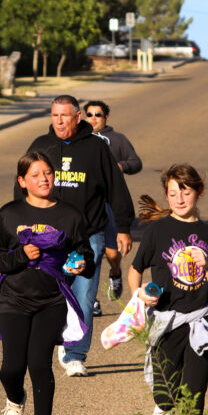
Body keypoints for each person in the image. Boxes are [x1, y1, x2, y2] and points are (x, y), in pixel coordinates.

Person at [0, 152, 95, 415]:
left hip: (52, 300)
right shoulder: (10, 214)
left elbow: (84, 256)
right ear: (22, 182)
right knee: (11, 368)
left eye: (47, 173)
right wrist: (21, 256)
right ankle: (15, 401)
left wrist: (81, 263)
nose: (43, 179)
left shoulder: (70, 215)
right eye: (35, 175)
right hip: (13, 298)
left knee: (39, 364)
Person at [18, 95, 134, 376]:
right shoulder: (40, 146)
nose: (58, 121)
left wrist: (123, 227)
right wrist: (19, 225)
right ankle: (49, 340)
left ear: (77, 117)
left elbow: (115, 188)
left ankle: (75, 354)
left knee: (83, 296)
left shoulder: (96, 148)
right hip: (48, 237)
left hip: (87, 235)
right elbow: (23, 185)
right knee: (48, 294)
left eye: (64, 116)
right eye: (54, 115)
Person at [126, 164, 208, 415]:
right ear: (167, 196)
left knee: (195, 390)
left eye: (185, 192)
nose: (180, 199)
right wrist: (139, 294)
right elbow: (135, 270)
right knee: (165, 393)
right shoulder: (157, 231)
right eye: (173, 193)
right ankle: (165, 403)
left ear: (199, 192)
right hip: (164, 319)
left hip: (202, 318)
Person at [83, 99, 142, 313]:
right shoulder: (80, 140)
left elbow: (136, 163)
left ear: (106, 118)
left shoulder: (117, 139)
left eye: (98, 114)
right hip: (88, 206)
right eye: (89, 114)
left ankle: (115, 272)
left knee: (111, 253)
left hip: (111, 204)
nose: (93, 119)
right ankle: (92, 299)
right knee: (91, 252)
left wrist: (119, 165)